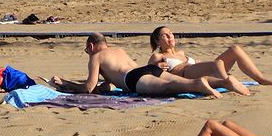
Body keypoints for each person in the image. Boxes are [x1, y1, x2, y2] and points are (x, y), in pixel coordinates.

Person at [48, 33, 246, 97]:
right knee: (175, 81)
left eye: (87, 50)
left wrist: (67, 84)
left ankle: (199, 84)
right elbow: (107, 86)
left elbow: (89, 88)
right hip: (145, 70)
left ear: (91, 46)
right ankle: (225, 82)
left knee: (173, 87)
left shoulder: (96, 57)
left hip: (134, 79)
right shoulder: (119, 51)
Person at [148, 25, 272, 85]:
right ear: (158, 42)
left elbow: (199, 64)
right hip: (186, 75)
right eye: (165, 35)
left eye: (170, 33)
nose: (170, 36)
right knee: (217, 64)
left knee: (235, 49)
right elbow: (146, 74)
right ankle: (227, 83)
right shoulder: (158, 56)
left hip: (202, 71)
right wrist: (158, 66)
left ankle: (260, 78)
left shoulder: (181, 53)